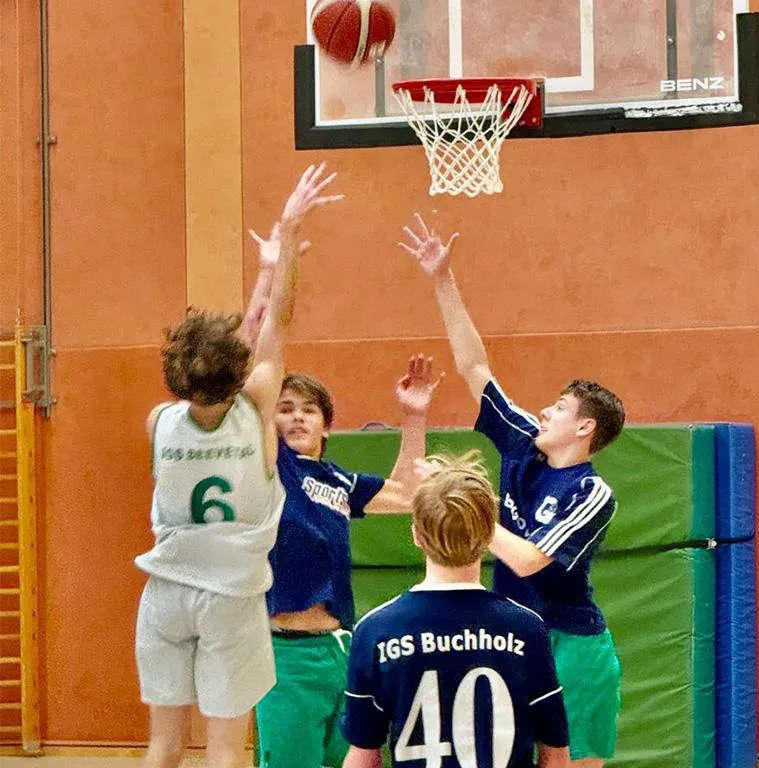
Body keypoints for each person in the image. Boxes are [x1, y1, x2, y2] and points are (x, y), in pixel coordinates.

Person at [134, 163, 342, 768]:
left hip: (166, 591)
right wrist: (287, 240)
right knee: (225, 749)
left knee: (162, 746)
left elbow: (235, 351)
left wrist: (267, 269)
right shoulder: (255, 414)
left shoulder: (158, 423)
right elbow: (278, 320)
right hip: (230, 597)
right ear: (239, 374)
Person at [399, 215, 626, 767]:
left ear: (585, 427)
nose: (545, 410)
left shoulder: (591, 493)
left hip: (570, 645)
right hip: (509, 637)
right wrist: (442, 279)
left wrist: (457, 501)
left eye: (560, 408)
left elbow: (527, 560)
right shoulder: (524, 442)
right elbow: (474, 366)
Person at [252, 357, 442, 768]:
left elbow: (408, 493)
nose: (297, 417)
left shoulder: (338, 480)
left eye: (309, 410)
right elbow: (257, 396)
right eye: (285, 409)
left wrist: (413, 416)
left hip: (340, 650)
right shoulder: (271, 469)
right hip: (286, 656)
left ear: (326, 426)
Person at [341, 452, 571, 768]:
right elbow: (555, 753)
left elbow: (364, 754)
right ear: (489, 534)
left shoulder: (375, 630)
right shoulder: (526, 628)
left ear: (416, 534)